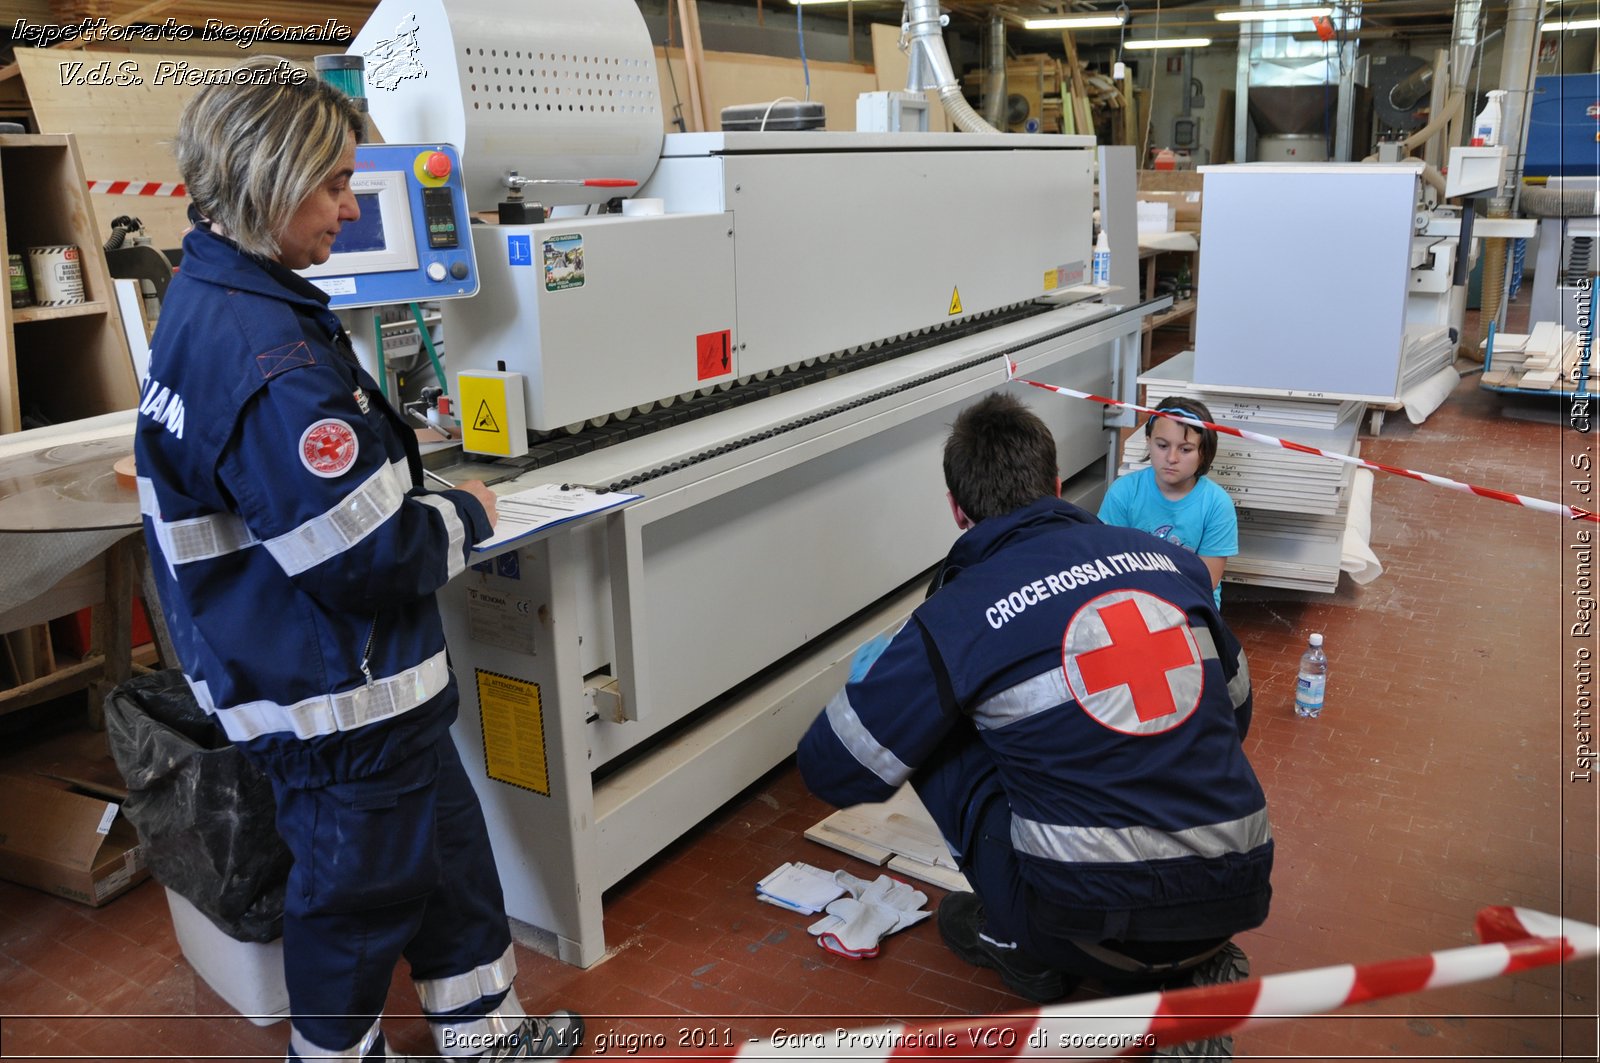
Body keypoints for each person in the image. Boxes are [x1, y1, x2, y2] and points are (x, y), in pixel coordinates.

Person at [134, 61, 583, 1062]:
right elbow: (366, 554)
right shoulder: (269, 361)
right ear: (266, 179)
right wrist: (462, 515)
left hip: (370, 687)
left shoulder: (221, 295)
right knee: (357, 897)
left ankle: (483, 1032)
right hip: (337, 698)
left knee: (453, 866)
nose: (349, 205)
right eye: (334, 184)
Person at [797, 393, 1270, 1054]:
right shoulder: (1172, 564)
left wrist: (894, 672)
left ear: (957, 510)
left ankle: (1024, 941)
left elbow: (831, 764)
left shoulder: (959, 615)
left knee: (935, 722)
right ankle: (1191, 970)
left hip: (1084, 924)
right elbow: (1239, 708)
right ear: (1055, 485)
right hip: (1235, 890)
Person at [1098, 396, 1238, 608]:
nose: (1171, 458)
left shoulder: (1217, 504)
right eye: (1162, 445)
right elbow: (1108, 564)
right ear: (1148, 441)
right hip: (1132, 600)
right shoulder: (1123, 492)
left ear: (1204, 452)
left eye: (1185, 449)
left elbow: (1206, 581)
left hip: (1191, 604)